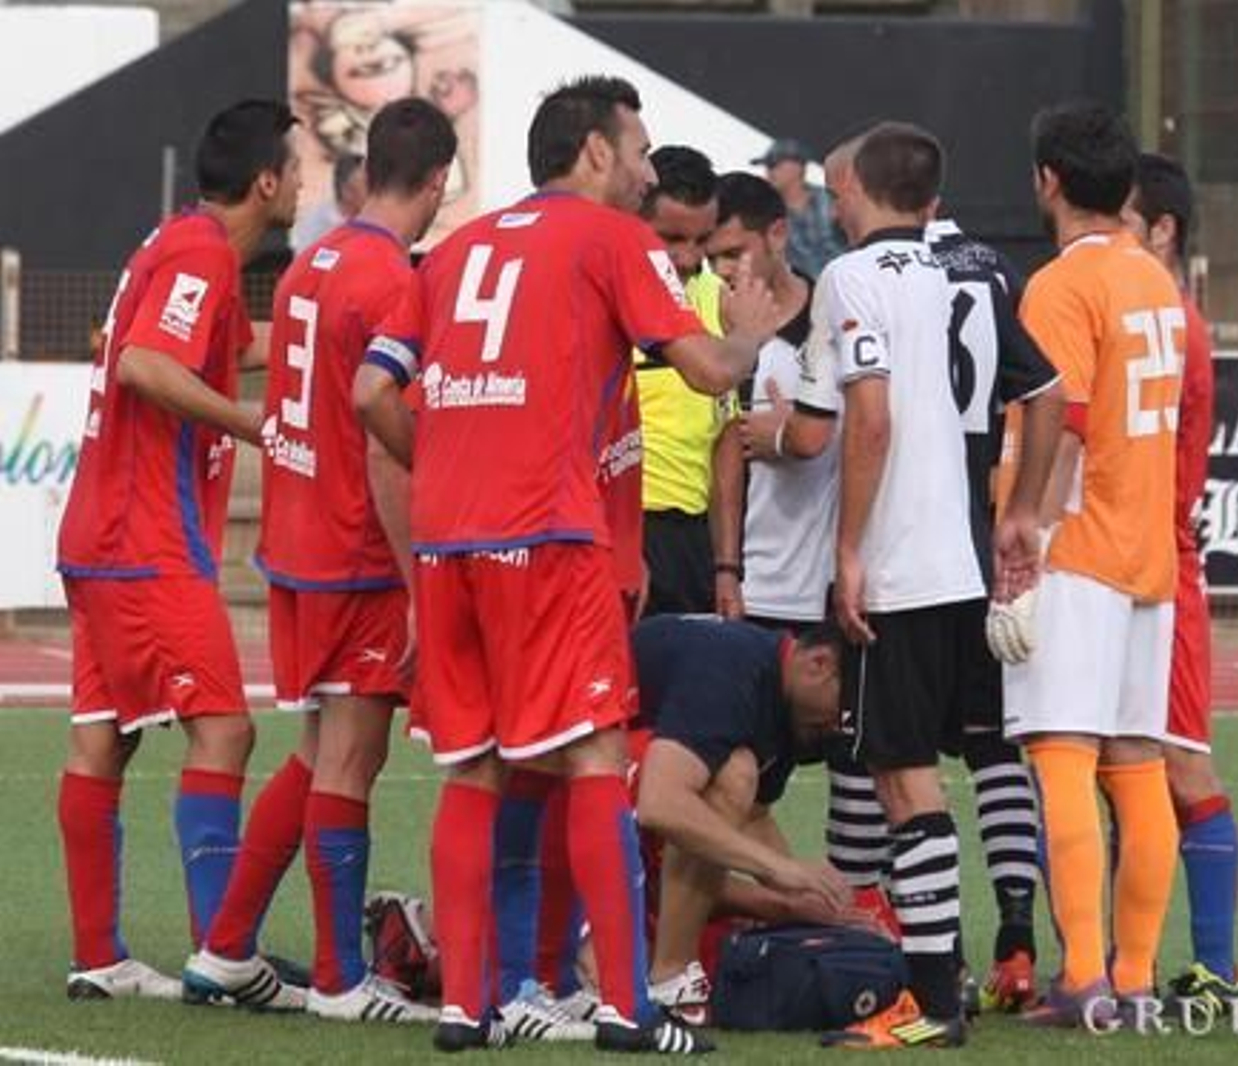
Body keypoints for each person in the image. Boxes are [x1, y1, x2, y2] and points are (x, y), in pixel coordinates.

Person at [355, 74, 784, 1053]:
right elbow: (709, 370)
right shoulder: (611, 239)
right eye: (635, 149)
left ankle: (468, 1006)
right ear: (594, 150)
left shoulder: (457, 246)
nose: (643, 169)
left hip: (452, 542)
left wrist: (454, 461)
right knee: (592, 757)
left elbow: (371, 388)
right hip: (548, 539)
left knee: (473, 769)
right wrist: (757, 329)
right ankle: (629, 1011)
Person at [180, 98, 456, 1024]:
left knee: (316, 753)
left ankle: (226, 946)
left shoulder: (310, 262)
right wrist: (423, 585)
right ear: (440, 180)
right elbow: (383, 443)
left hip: (296, 544)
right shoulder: (389, 278)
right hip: (356, 552)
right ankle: (342, 981)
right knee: (351, 758)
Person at [790, 122, 1062, 1050]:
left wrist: (851, 551)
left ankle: (931, 1004)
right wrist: (1020, 510)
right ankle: (949, 983)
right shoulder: (968, 273)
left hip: (903, 566)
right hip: (965, 562)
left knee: (905, 780)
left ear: (853, 192)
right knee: (955, 761)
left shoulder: (849, 278)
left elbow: (862, 423)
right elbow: (1051, 389)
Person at [54, 99, 300, 1001]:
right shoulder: (199, 253)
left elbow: (244, 346)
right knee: (226, 728)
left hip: (98, 531)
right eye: (298, 169)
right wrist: (249, 427)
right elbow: (146, 365)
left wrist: (356, 332)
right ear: (266, 181)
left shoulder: (181, 247)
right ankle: (220, 956)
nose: (304, 185)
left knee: (102, 743)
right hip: (143, 538)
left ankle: (100, 959)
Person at [1003, 104, 1185, 1029]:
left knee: (1062, 754)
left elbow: (1061, 421)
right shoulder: (1155, 278)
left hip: (1077, 548)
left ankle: (1082, 978)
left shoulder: (1060, 287)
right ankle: (1138, 974)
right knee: (1137, 761)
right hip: (1147, 551)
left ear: (1048, 181)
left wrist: (1023, 529)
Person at [1121, 152, 1238, 1017]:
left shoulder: (1172, 323)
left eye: (1122, 219)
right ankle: (1112, 964)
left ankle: (1216, 971)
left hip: (1156, 574)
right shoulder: (1157, 315)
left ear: (1161, 230)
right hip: (1128, 563)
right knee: (1109, 764)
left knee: (1178, 763)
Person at [634, 615, 854, 1022]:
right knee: (734, 774)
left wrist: (809, 900)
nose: (839, 723)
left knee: (734, 792)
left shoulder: (788, 704)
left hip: (625, 810)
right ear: (818, 664)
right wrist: (779, 875)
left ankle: (668, 971)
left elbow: (750, 821)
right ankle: (669, 977)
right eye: (843, 708)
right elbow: (660, 804)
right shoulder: (728, 671)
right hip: (581, 791)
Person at [704, 171, 827, 627]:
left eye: (735, 253)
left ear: (777, 234)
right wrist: (727, 569)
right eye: (711, 258)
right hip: (744, 589)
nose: (722, 271)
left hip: (825, 590)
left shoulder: (830, 318)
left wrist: (796, 431)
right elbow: (723, 450)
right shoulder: (705, 331)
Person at [634, 145, 736, 616]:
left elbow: (725, 439)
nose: (688, 257)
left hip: (692, 543)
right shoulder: (604, 292)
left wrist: (726, 567)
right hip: (621, 531)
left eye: (701, 240)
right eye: (671, 238)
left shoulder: (718, 297)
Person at [754, 137, 845, 279]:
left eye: (774, 164)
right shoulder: (765, 212)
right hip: (805, 294)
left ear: (798, 166)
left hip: (847, 283)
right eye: (767, 166)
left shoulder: (831, 199)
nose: (769, 171)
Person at [290, 151, 368, 251]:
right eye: (366, 186)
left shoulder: (370, 218)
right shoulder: (317, 225)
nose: (374, 191)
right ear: (347, 191)